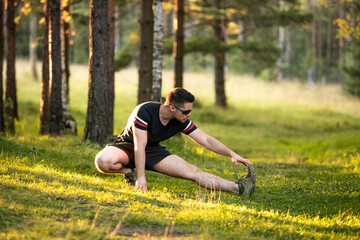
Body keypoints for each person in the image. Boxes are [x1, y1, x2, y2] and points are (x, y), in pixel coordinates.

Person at [95, 88, 256, 196]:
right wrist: (140, 177)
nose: (189, 114)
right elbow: (139, 146)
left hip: (153, 152)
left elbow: (206, 140)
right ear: (172, 107)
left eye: (190, 111)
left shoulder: (181, 120)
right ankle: (127, 172)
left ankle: (239, 187)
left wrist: (231, 153)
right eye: (186, 111)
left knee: (193, 172)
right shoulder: (144, 112)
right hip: (127, 147)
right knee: (103, 161)